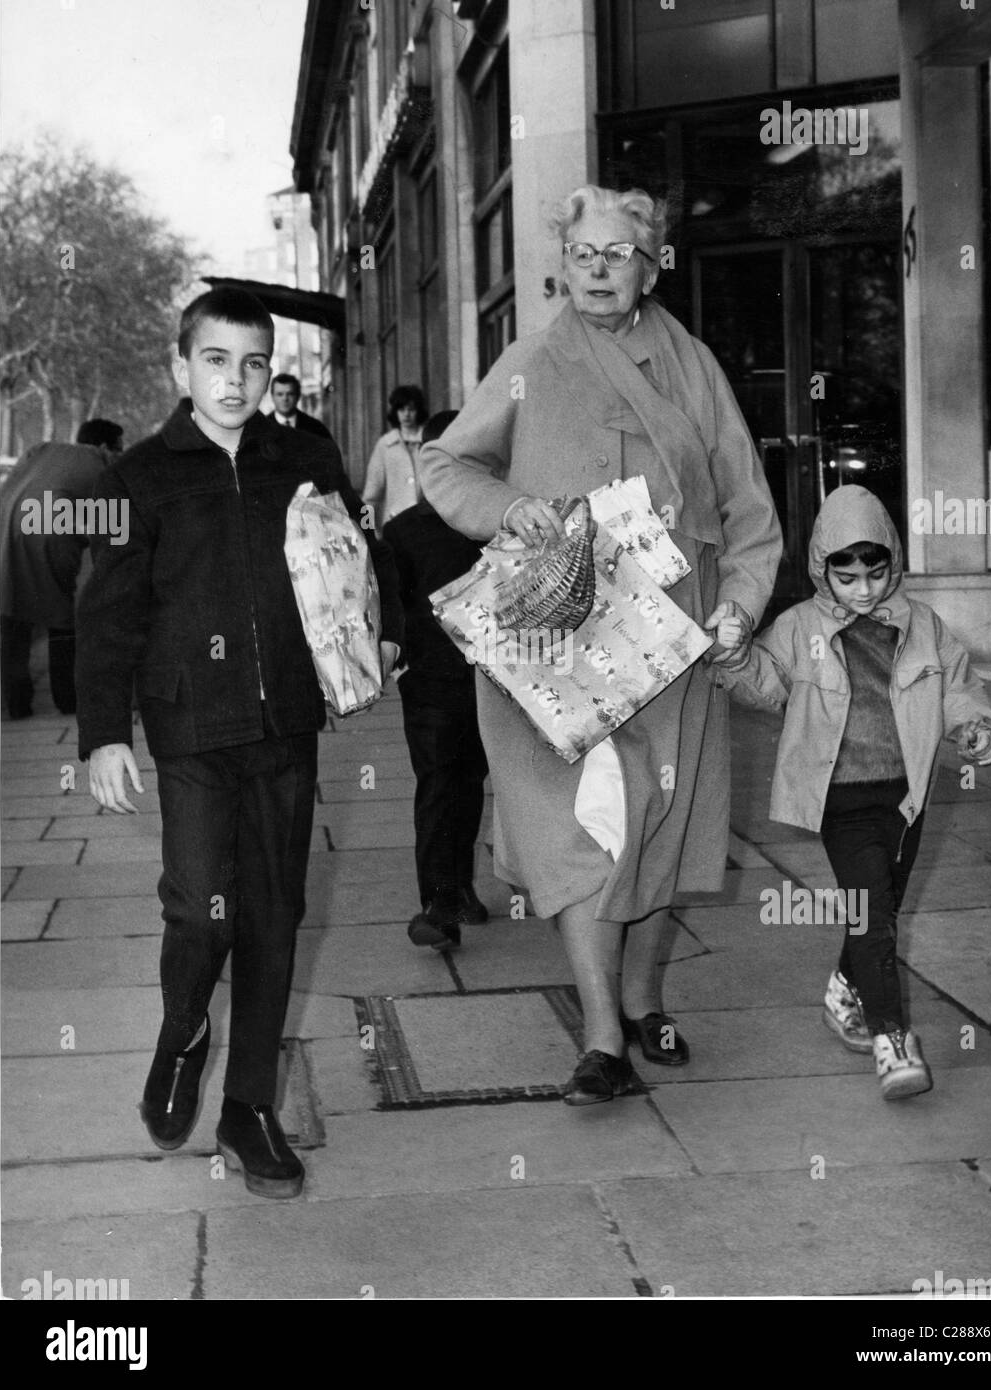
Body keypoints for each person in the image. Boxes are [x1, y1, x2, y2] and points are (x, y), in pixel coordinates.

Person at [420, 185, 781, 1104]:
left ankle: (645, 996)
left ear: (649, 264)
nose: (596, 270)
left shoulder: (693, 365)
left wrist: (737, 605)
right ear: (563, 264)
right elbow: (444, 463)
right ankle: (599, 1035)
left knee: (664, 822)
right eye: (582, 254)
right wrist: (515, 510)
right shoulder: (531, 358)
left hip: (677, 637)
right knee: (578, 823)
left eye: (617, 254)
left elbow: (746, 506)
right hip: (558, 634)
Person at [75, 288, 403, 1197]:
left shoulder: (302, 456)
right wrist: (104, 736)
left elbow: (359, 555)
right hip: (188, 727)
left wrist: (383, 628)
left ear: (270, 373)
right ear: (182, 368)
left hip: (286, 723)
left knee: (273, 914)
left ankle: (249, 1108)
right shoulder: (135, 477)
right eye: (216, 361)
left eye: (253, 363)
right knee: (197, 908)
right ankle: (184, 1029)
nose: (235, 380)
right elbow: (103, 619)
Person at [713, 484, 991, 1100]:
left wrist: (977, 727)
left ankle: (845, 989)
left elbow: (957, 686)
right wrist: (735, 656)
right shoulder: (797, 627)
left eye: (875, 575)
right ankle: (892, 1040)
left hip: (907, 795)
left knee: (880, 910)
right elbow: (764, 687)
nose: (864, 590)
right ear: (823, 569)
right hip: (841, 798)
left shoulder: (921, 623)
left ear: (893, 564)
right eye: (847, 579)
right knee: (872, 913)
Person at [383, 410, 490, 952]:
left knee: (469, 781)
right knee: (438, 783)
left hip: (492, 682)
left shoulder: (496, 526)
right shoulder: (402, 533)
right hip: (429, 683)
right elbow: (386, 605)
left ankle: (461, 886)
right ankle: (438, 903)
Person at [0, 418, 123, 718]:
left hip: (5, 527)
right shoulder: (104, 465)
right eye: (121, 448)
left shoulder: (41, 449)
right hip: (48, 531)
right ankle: (68, 700)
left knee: (12, 616)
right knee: (61, 619)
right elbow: (113, 533)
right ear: (105, 446)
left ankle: (16, 704)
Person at [362, 385, 429, 531]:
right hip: (394, 526)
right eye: (401, 410)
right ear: (395, 412)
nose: (406, 414)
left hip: (426, 526)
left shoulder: (429, 441)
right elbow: (370, 496)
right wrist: (366, 532)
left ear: (418, 411)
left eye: (411, 409)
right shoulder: (385, 445)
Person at [269, 371, 332, 438]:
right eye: (280, 394)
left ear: (298, 396)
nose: (285, 399)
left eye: (290, 394)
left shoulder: (315, 427)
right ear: (272, 397)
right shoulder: (261, 428)